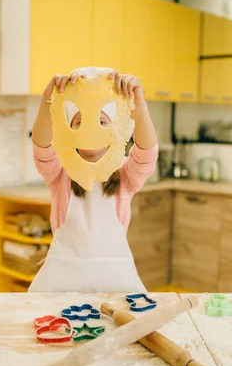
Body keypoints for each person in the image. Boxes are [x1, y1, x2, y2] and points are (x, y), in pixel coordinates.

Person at [28, 67, 158, 293]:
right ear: (69, 130)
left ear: (116, 130)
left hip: (114, 281)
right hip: (62, 280)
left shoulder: (125, 176)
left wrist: (140, 106)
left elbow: (146, 154)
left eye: (102, 122)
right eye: (79, 122)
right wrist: (47, 102)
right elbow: (41, 148)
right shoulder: (61, 175)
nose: (90, 129)